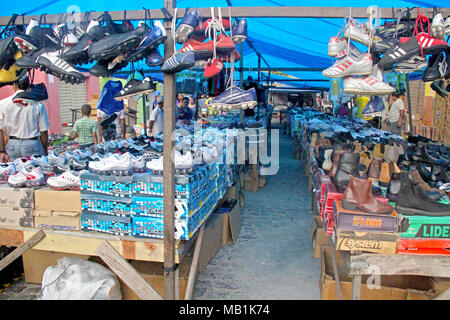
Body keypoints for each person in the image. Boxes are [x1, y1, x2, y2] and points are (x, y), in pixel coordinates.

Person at [0, 76, 49, 162]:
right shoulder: (38, 103)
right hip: (33, 144)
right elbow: (43, 131)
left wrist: (2, 151)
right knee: (36, 172)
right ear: (29, 86)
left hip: (12, 145)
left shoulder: (3, 103)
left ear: (14, 85)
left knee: (15, 174)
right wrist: (45, 150)